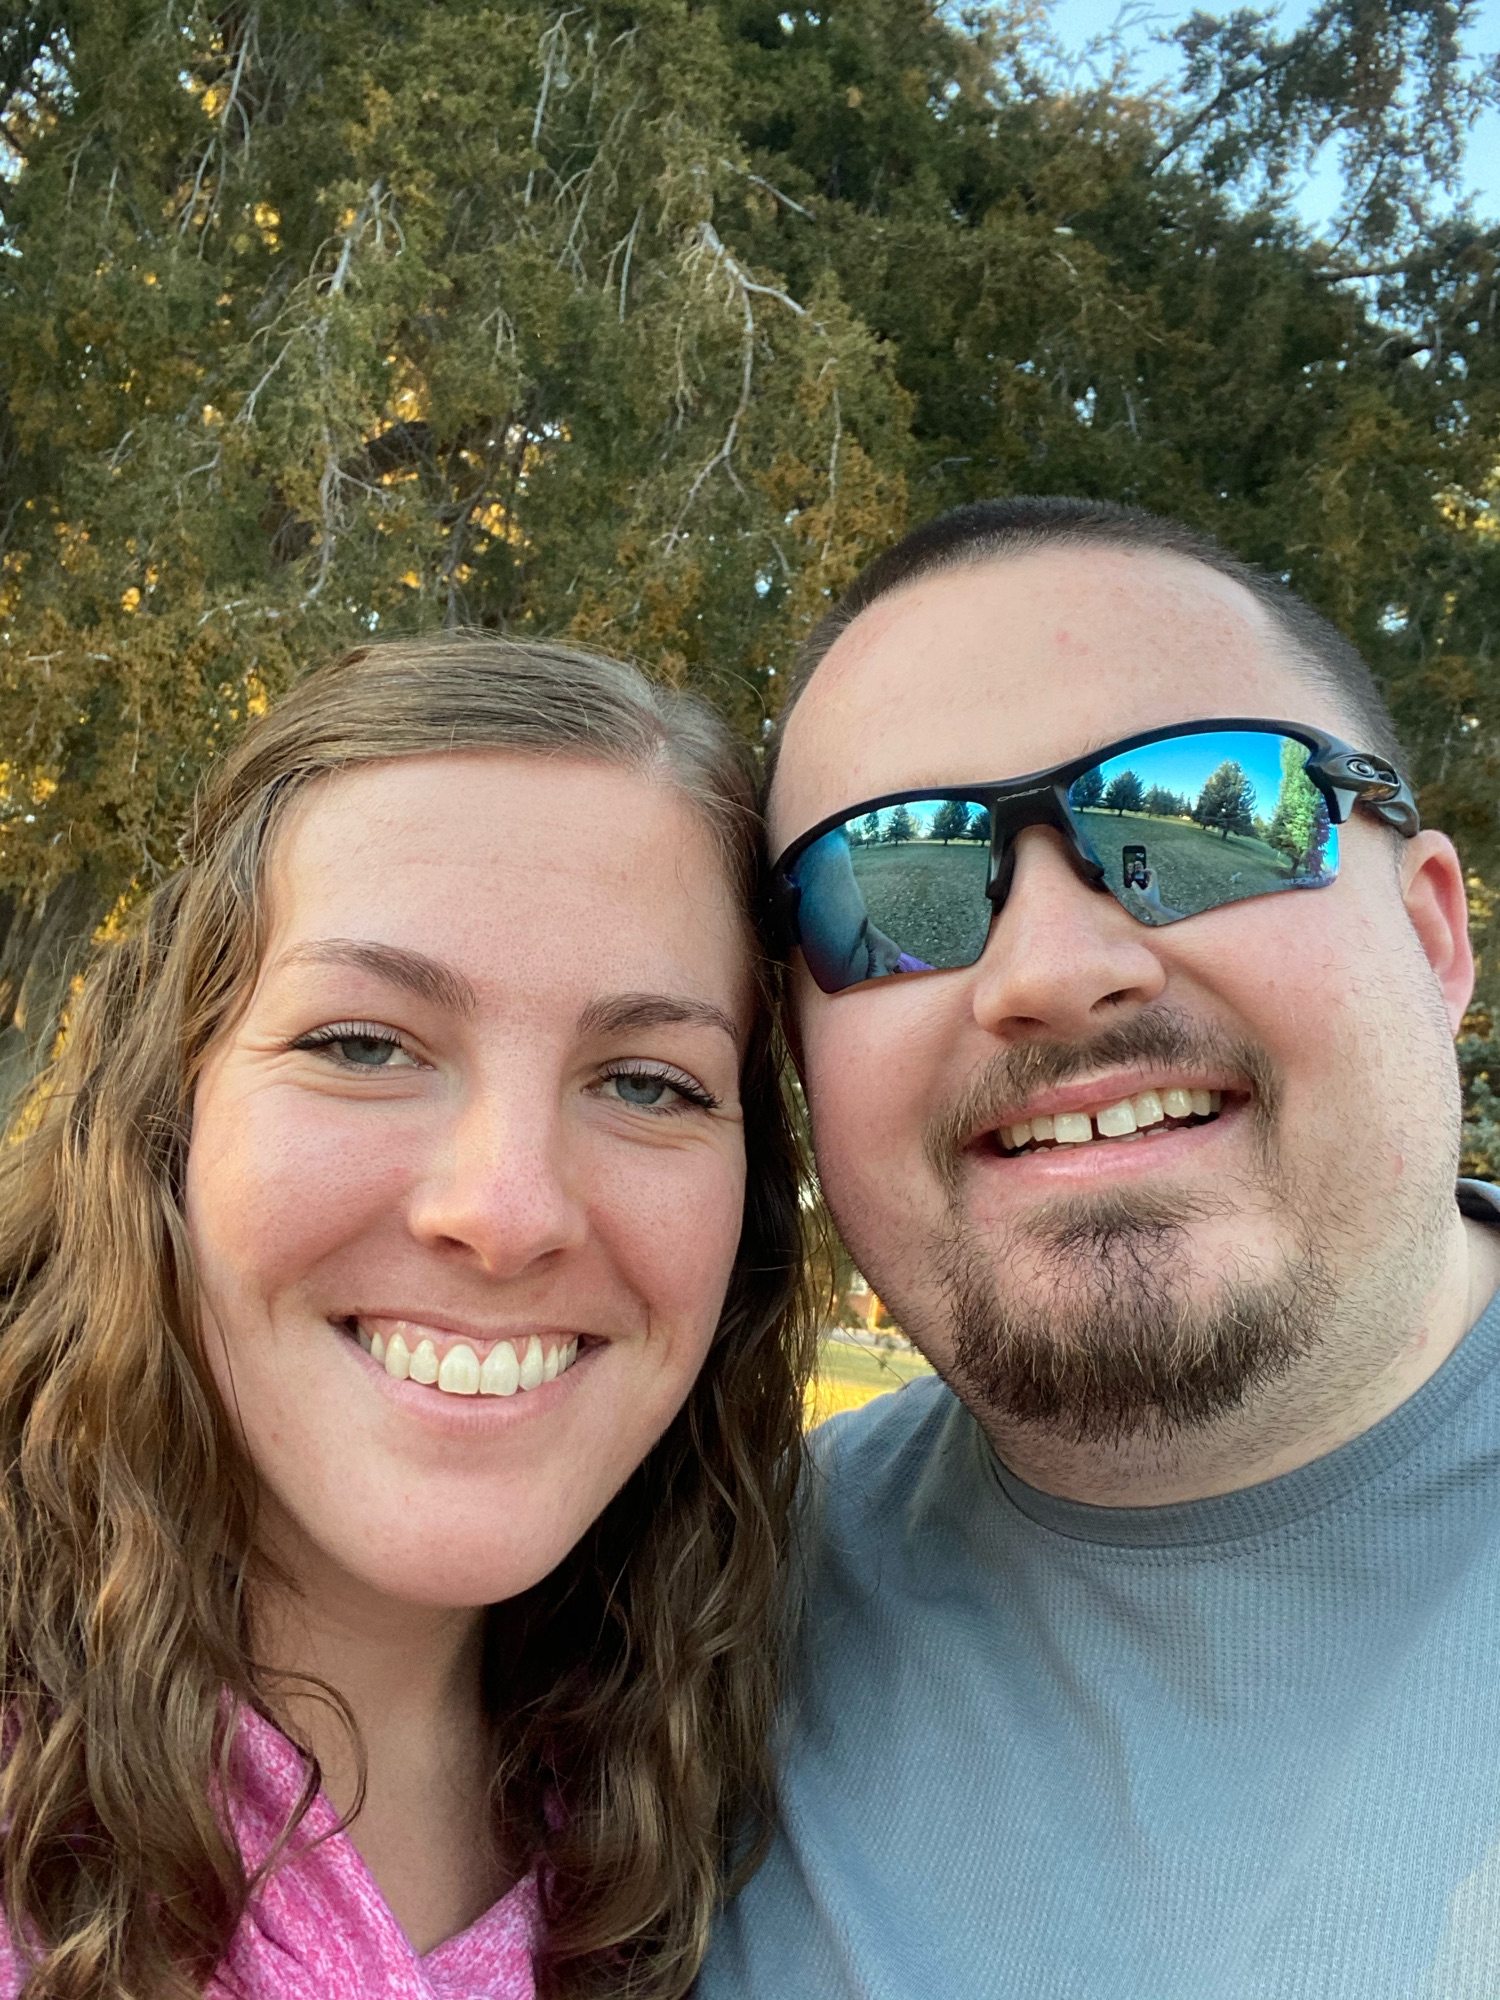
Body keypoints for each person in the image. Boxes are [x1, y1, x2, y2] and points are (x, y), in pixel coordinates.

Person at [699, 496, 1500, 1999]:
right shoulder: (692, 1634)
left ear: (1433, 935)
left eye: (1203, 816)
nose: (1054, 971)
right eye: (886, 886)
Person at [0, 635, 814, 2000]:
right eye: (363, 1045)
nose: (507, 1211)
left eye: (648, 1082)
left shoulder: (777, 1765)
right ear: (167, 1113)